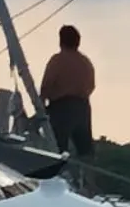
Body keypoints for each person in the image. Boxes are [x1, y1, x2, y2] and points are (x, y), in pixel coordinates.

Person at [40, 25, 97, 171]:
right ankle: (88, 183)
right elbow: (91, 86)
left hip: (62, 107)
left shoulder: (58, 60)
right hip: (83, 107)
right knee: (85, 150)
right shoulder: (86, 62)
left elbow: (46, 85)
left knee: (57, 148)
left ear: (61, 41)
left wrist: (40, 106)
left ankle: (57, 176)